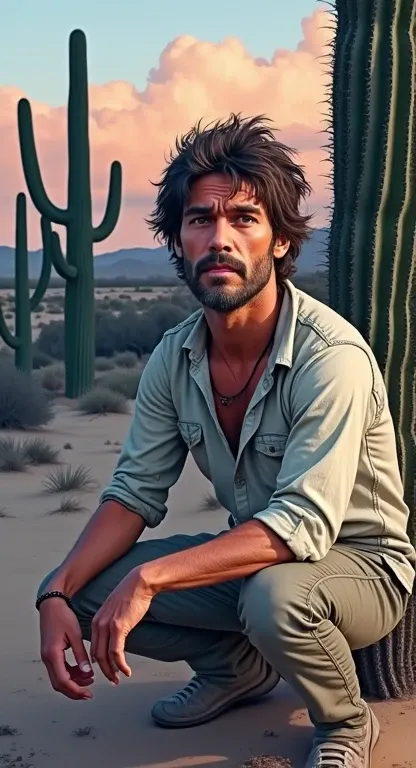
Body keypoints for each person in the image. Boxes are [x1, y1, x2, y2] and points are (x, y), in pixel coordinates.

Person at [36, 114, 415, 768]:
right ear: (178, 241)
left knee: (275, 597)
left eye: (244, 218)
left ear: (278, 242)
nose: (220, 238)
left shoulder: (331, 357)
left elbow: (302, 526)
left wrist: (152, 579)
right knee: (90, 587)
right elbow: (133, 493)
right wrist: (54, 591)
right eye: (200, 219)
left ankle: (346, 723)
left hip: (361, 567)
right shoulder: (173, 357)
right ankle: (233, 670)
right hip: (259, 556)